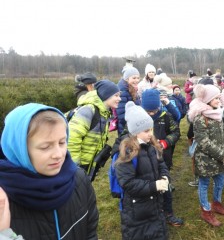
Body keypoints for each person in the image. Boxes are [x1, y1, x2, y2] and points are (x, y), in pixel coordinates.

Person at [0, 103, 98, 239]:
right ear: (18, 149)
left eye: (62, 142)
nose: (58, 154)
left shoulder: (79, 178)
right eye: (45, 147)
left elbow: (90, 230)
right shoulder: (3, 201)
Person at [115, 101, 170, 239]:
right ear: (134, 132)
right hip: (137, 209)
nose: (151, 134)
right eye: (146, 131)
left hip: (154, 202)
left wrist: (164, 177)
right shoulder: (127, 152)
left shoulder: (151, 146)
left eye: (151, 129)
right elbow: (127, 183)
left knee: (158, 229)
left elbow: (161, 164)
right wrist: (154, 186)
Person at [188, 84, 224, 227]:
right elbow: (203, 142)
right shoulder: (201, 118)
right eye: (215, 98)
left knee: (220, 182)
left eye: (219, 97)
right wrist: (222, 155)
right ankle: (206, 210)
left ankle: (217, 204)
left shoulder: (217, 114)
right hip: (205, 160)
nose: (219, 100)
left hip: (219, 158)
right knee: (204, 184)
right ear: (207, 99)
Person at [141, 89, 183, 227]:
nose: (151, 114)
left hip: (163, 158)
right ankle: (151, 214)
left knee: (165, 185)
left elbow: (176, 132)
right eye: (148, 111)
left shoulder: (166, 116)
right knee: (149, 187)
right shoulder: (139, 118)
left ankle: (168, 213)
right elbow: (126, 135)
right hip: (144, 161)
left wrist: (165, 142)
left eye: (154, 110)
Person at [68, 79, 120, 179]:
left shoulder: (104, 112)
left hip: (88, 164)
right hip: (79, 167)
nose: (120, 99)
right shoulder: (88, 111)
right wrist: (74, 168)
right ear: (106, 95)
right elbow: (72, 139)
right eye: (116, 95)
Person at [116, 66, 141, 136]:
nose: (136, 80)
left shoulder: (133, 89)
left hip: (134, 125)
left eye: (138, 78)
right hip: (125, 128)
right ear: (127, 79)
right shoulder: (123, 92)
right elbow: (121, 115)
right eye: (134, 78)